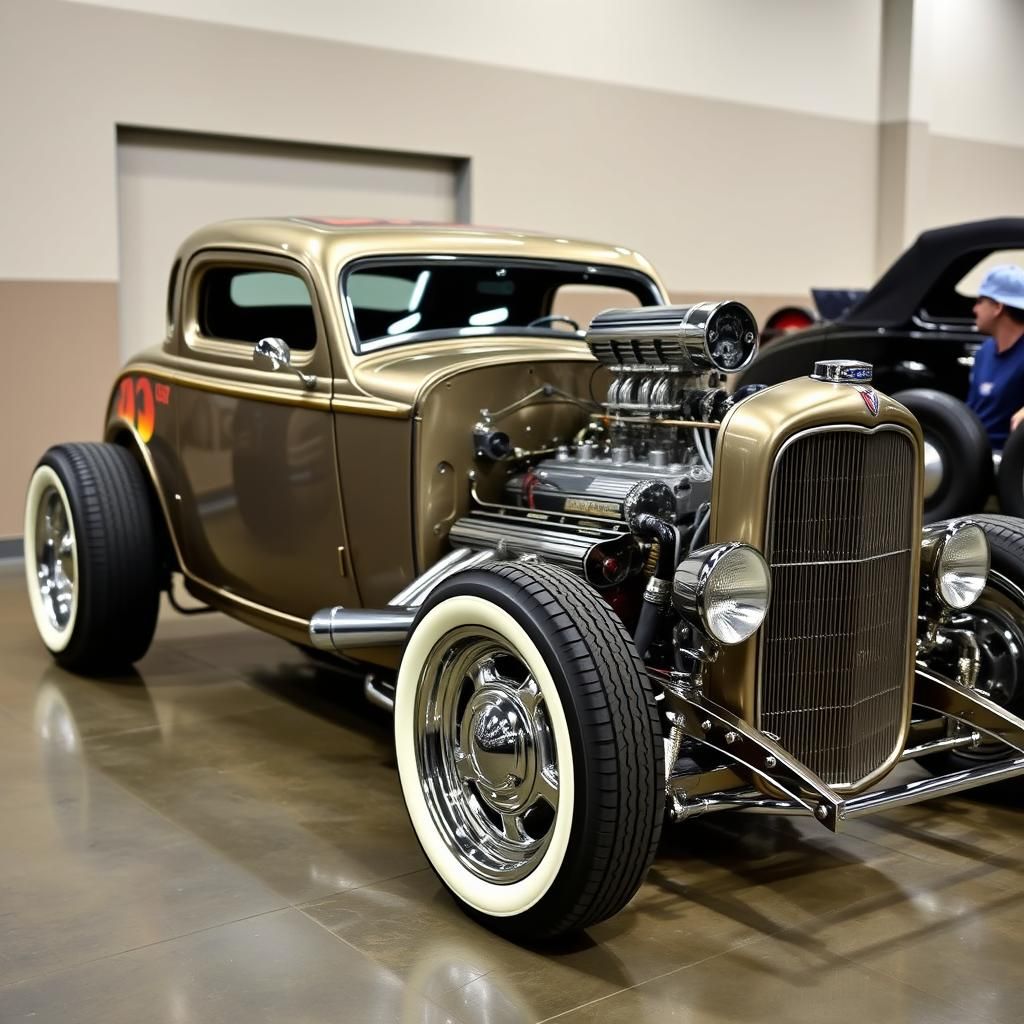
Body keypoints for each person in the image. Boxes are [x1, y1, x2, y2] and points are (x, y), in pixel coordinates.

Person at [966, 264, 1024, 448]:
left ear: (998, 307)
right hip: (975, 452)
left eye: (980, 301)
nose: (975, 309)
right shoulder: (985, 351)